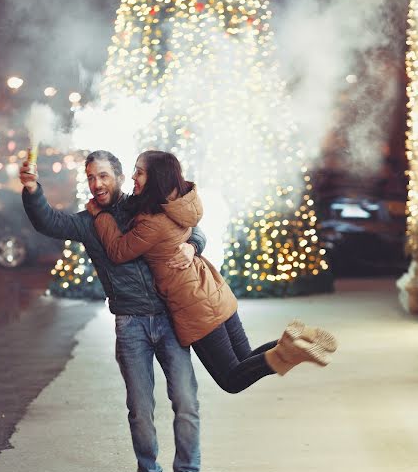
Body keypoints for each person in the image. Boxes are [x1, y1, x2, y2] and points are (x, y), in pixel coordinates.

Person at [19, 150, 206, 472]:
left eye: (103, 176)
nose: (96, 184)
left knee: (185, 398)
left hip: (169, 317)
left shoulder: (144, 205)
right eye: (90, 177)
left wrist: (192, 246)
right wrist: (32, 189)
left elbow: (190, 227)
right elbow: (49, 222)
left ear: (118, 176)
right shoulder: (88, 222)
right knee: (139, 405)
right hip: (130, 323)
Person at [87, 150, 338, 395]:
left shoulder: (153, 221)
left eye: (139, 173)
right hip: (212, 289)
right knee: (247, 359)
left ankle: (289, 350)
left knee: (231, 379)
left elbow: (119, 251)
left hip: (193, 304)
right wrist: (193, 245)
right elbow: (190, 231)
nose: (133, 177)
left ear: (155, 178)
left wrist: (100, 216)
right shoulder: (176, 204)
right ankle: (298, 339)